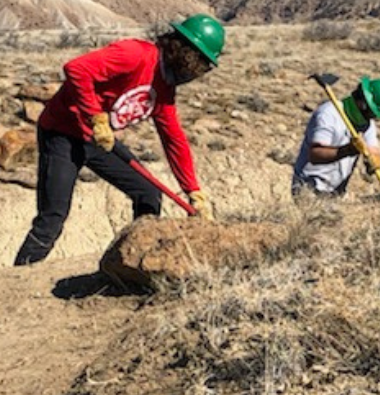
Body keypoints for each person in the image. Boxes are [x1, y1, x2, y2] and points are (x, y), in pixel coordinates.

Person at [14, 13, 224, 266]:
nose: (199, 71)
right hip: (63, 133)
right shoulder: (136, 54)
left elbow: (173, 138)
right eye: (200, 62)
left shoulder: (165, 88)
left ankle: (138, 262)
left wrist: (193, 191)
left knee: (148, 194)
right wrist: (96, 116)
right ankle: (16, 279)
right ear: (184, 50)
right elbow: (76, 69)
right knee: (52, 218)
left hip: (99, 140)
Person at [292, 77, 380, 198]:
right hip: (309, 188)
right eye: (371, 113)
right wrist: (348, 150)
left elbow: (374, 151)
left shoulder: (367, 124)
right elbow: (315, 155)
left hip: (336, 192)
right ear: (363, 103)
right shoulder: (328, 114)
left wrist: (374, 161)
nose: (371, 117)